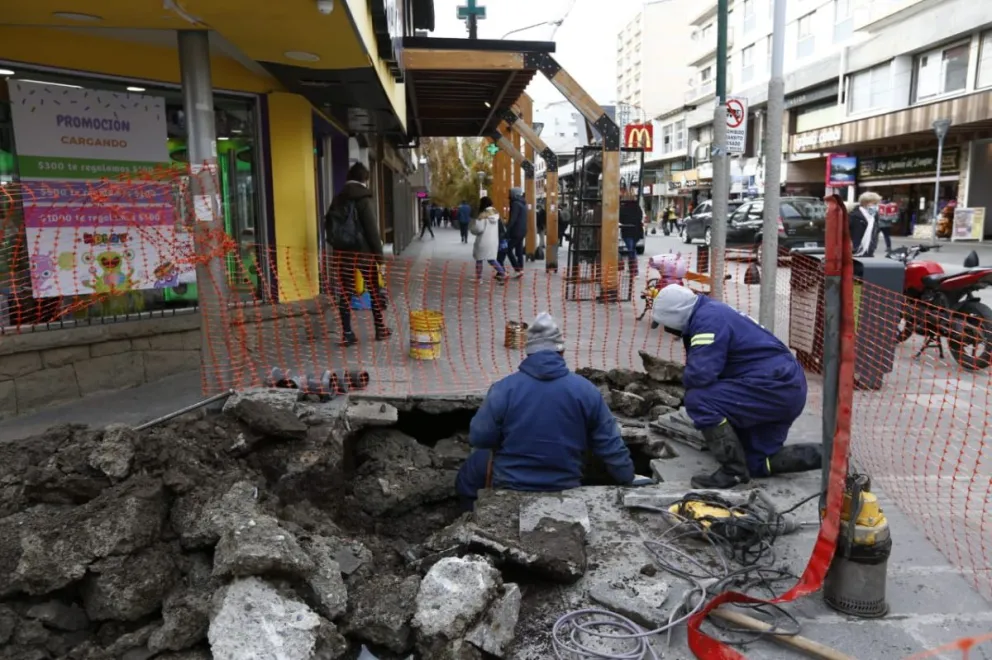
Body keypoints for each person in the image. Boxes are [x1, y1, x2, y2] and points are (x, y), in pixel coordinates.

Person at [455, 312, 635, 509]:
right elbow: (610, 443)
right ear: (561, 352)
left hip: (510, 483)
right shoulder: (586, 391)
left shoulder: (504, 389)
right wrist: (628, 478)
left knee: (471, 471)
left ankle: (471, 517)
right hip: (564, 484)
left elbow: (479, 438)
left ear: (528, 353)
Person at [651, 285, 821, 489]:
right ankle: (828, 455)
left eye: (665, 324)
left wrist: (679, 379)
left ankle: (733, 472)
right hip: (784, 387)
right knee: (757, 463)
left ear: (675, 316)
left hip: (773, 386)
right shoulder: (711, 311)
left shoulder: (708, 321)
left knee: (698, 400)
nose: (666, 330)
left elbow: (701, 374)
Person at [328, 162, 392, 346]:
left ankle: (347, 333)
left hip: (343, 254)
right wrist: (380, 258)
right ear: (365, 179)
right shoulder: (363, 199)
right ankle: (380, 329)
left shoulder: (337, 199)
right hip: (364, 254)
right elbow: (372, 231)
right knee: (374, 290)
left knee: (345, 293)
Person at [470, 196, 506, 284]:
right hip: (493, 241)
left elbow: (478, 229)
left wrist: (472, 228)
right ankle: (503, 273)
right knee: (492, 259)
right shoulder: (496, 213)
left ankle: (479, 279)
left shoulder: (483, 215)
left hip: (483, 240)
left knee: (479, 259)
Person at [502, 187, 526, 276]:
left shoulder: (515, 203)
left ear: (514, 194)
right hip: (522, 231)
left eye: (510, 193)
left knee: (508, 249)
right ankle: (520, 269)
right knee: (519, 251)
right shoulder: (523, 203)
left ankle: (517, 269)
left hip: (516, 231)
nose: (509, 195)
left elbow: (513, 219)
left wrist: (507, 229)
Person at [850, 191, 881, 258]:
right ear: (865, 203)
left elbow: (876, 232)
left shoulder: (874, 217)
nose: (876, 206)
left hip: (869, 251)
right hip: (854, 251)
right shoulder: (853, 216)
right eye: (874, 203)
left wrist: (873, 246)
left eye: (877, 203)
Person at [619, 195, 644, 275]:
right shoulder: (637, 207)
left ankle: (633, 269)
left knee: (631, 250)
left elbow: (620, 219)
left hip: (627, 231)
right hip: (637, 231)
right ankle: (633, 269)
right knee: (632, 249)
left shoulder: (623, 208)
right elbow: (640, 217)